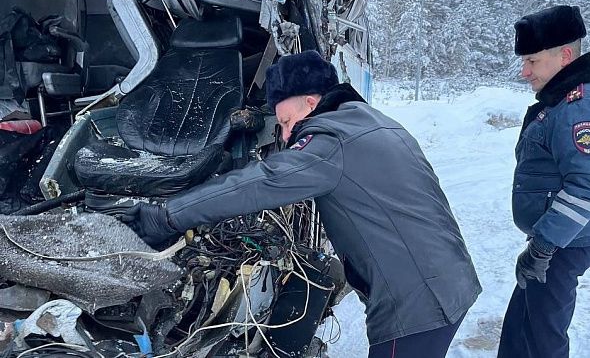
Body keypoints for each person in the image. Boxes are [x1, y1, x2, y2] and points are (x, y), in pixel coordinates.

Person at [123, 50, 481, 358]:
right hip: (446, 281)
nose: (284, 134)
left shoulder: (330, 142)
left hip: (417, 304)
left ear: (311, 103)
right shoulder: (370, 122)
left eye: (286, 121)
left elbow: (263, 181)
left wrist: (168, 216)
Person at [497, 5, 590, 358]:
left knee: (543, 338)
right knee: (521, 327)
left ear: (565, 56)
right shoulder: (559, 101)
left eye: (532, 61)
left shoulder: (576, 107)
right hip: (553, 242)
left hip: (563, 245)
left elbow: (585, 185)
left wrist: (544, 248)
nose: (524, 72)